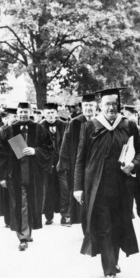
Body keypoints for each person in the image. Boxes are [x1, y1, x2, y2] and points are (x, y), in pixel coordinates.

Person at [74, 89, 140, 278]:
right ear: (100, 105)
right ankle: (108, 270)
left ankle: (114, 260)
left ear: (119, 105)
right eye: (107, 104)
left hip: (122, 187)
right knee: (104, 227)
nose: (111, 108)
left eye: (114, 104)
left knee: (119, 225)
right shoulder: (90, 126)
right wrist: (77, 187)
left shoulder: (128, 125)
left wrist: (133, 164)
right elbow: (80, 159)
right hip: (97, 187)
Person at [0, 102, 52, 251]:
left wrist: (35, 151)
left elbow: (49, 148)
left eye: (26, 112)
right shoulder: (8, 130)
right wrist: (1, 176)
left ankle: (28, 230)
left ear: (31, 112)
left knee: (32, 203)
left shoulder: (39, 128)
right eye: (21, 112)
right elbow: (1, 154)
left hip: (34, 175)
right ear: (17, 113)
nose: (23, 115)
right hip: (15, 175)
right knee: (21, 204)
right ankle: (23, 236)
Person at [57, 94, 97, 233]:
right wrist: (64, 165)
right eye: (86, 106)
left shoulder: (100, 121)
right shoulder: (74, 122)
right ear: (82, 107)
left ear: (96, 107)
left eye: (91, 106)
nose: (88, 109)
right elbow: (65, 144)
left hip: (96, 166)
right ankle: (86, 229)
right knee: (82, 198)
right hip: (78, 164)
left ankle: (93, 228)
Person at [40, 103, 69, 226]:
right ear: (44, 113)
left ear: (56, 113)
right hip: (46, 164)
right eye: (48, 113)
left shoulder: (64, 125)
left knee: (65, 189)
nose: (50, 115)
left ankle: (65, 216)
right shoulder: (40, 126)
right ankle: (48, 216)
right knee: (48, 190)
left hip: (62, 163)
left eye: (52, 112)